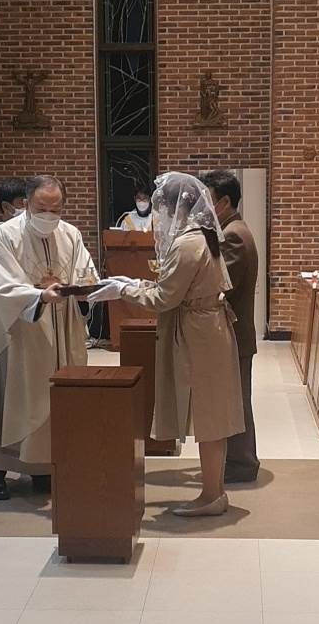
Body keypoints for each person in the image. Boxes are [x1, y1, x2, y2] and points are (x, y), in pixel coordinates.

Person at [89, 172, 243, 516]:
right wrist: (133, 282)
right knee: (212, 413)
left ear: (176, 208)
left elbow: (164, 298)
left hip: (200, 333)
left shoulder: (187, 242)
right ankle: (214, 492)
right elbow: (177, 287)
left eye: (161, 207)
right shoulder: (201, 234)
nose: (157, 213)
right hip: (207, 327)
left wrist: (124, 290)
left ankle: (212, 495)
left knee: (209, 414)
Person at [0, 174, 98, 501]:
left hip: (59, 331)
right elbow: (3, 286)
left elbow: (86, 273)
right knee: (7, 397)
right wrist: (39, 295)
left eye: (56, 209)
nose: (49, 215)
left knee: (53, 400)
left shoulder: (70, 234)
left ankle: (43, 468)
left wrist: (84, 288)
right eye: (42, 208)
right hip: (18, 333)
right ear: (26, 203)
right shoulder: (4, 235)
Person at [201, 167, 260, 483]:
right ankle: (238, 461)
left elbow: (219, 283)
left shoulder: (234, 234)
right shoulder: (231, 229)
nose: (202, 209)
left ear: (223, 202)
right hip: (235, 333)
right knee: (235, 400)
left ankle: (242, 464)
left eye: (206, 201)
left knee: (236, 403)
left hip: (234, 334)